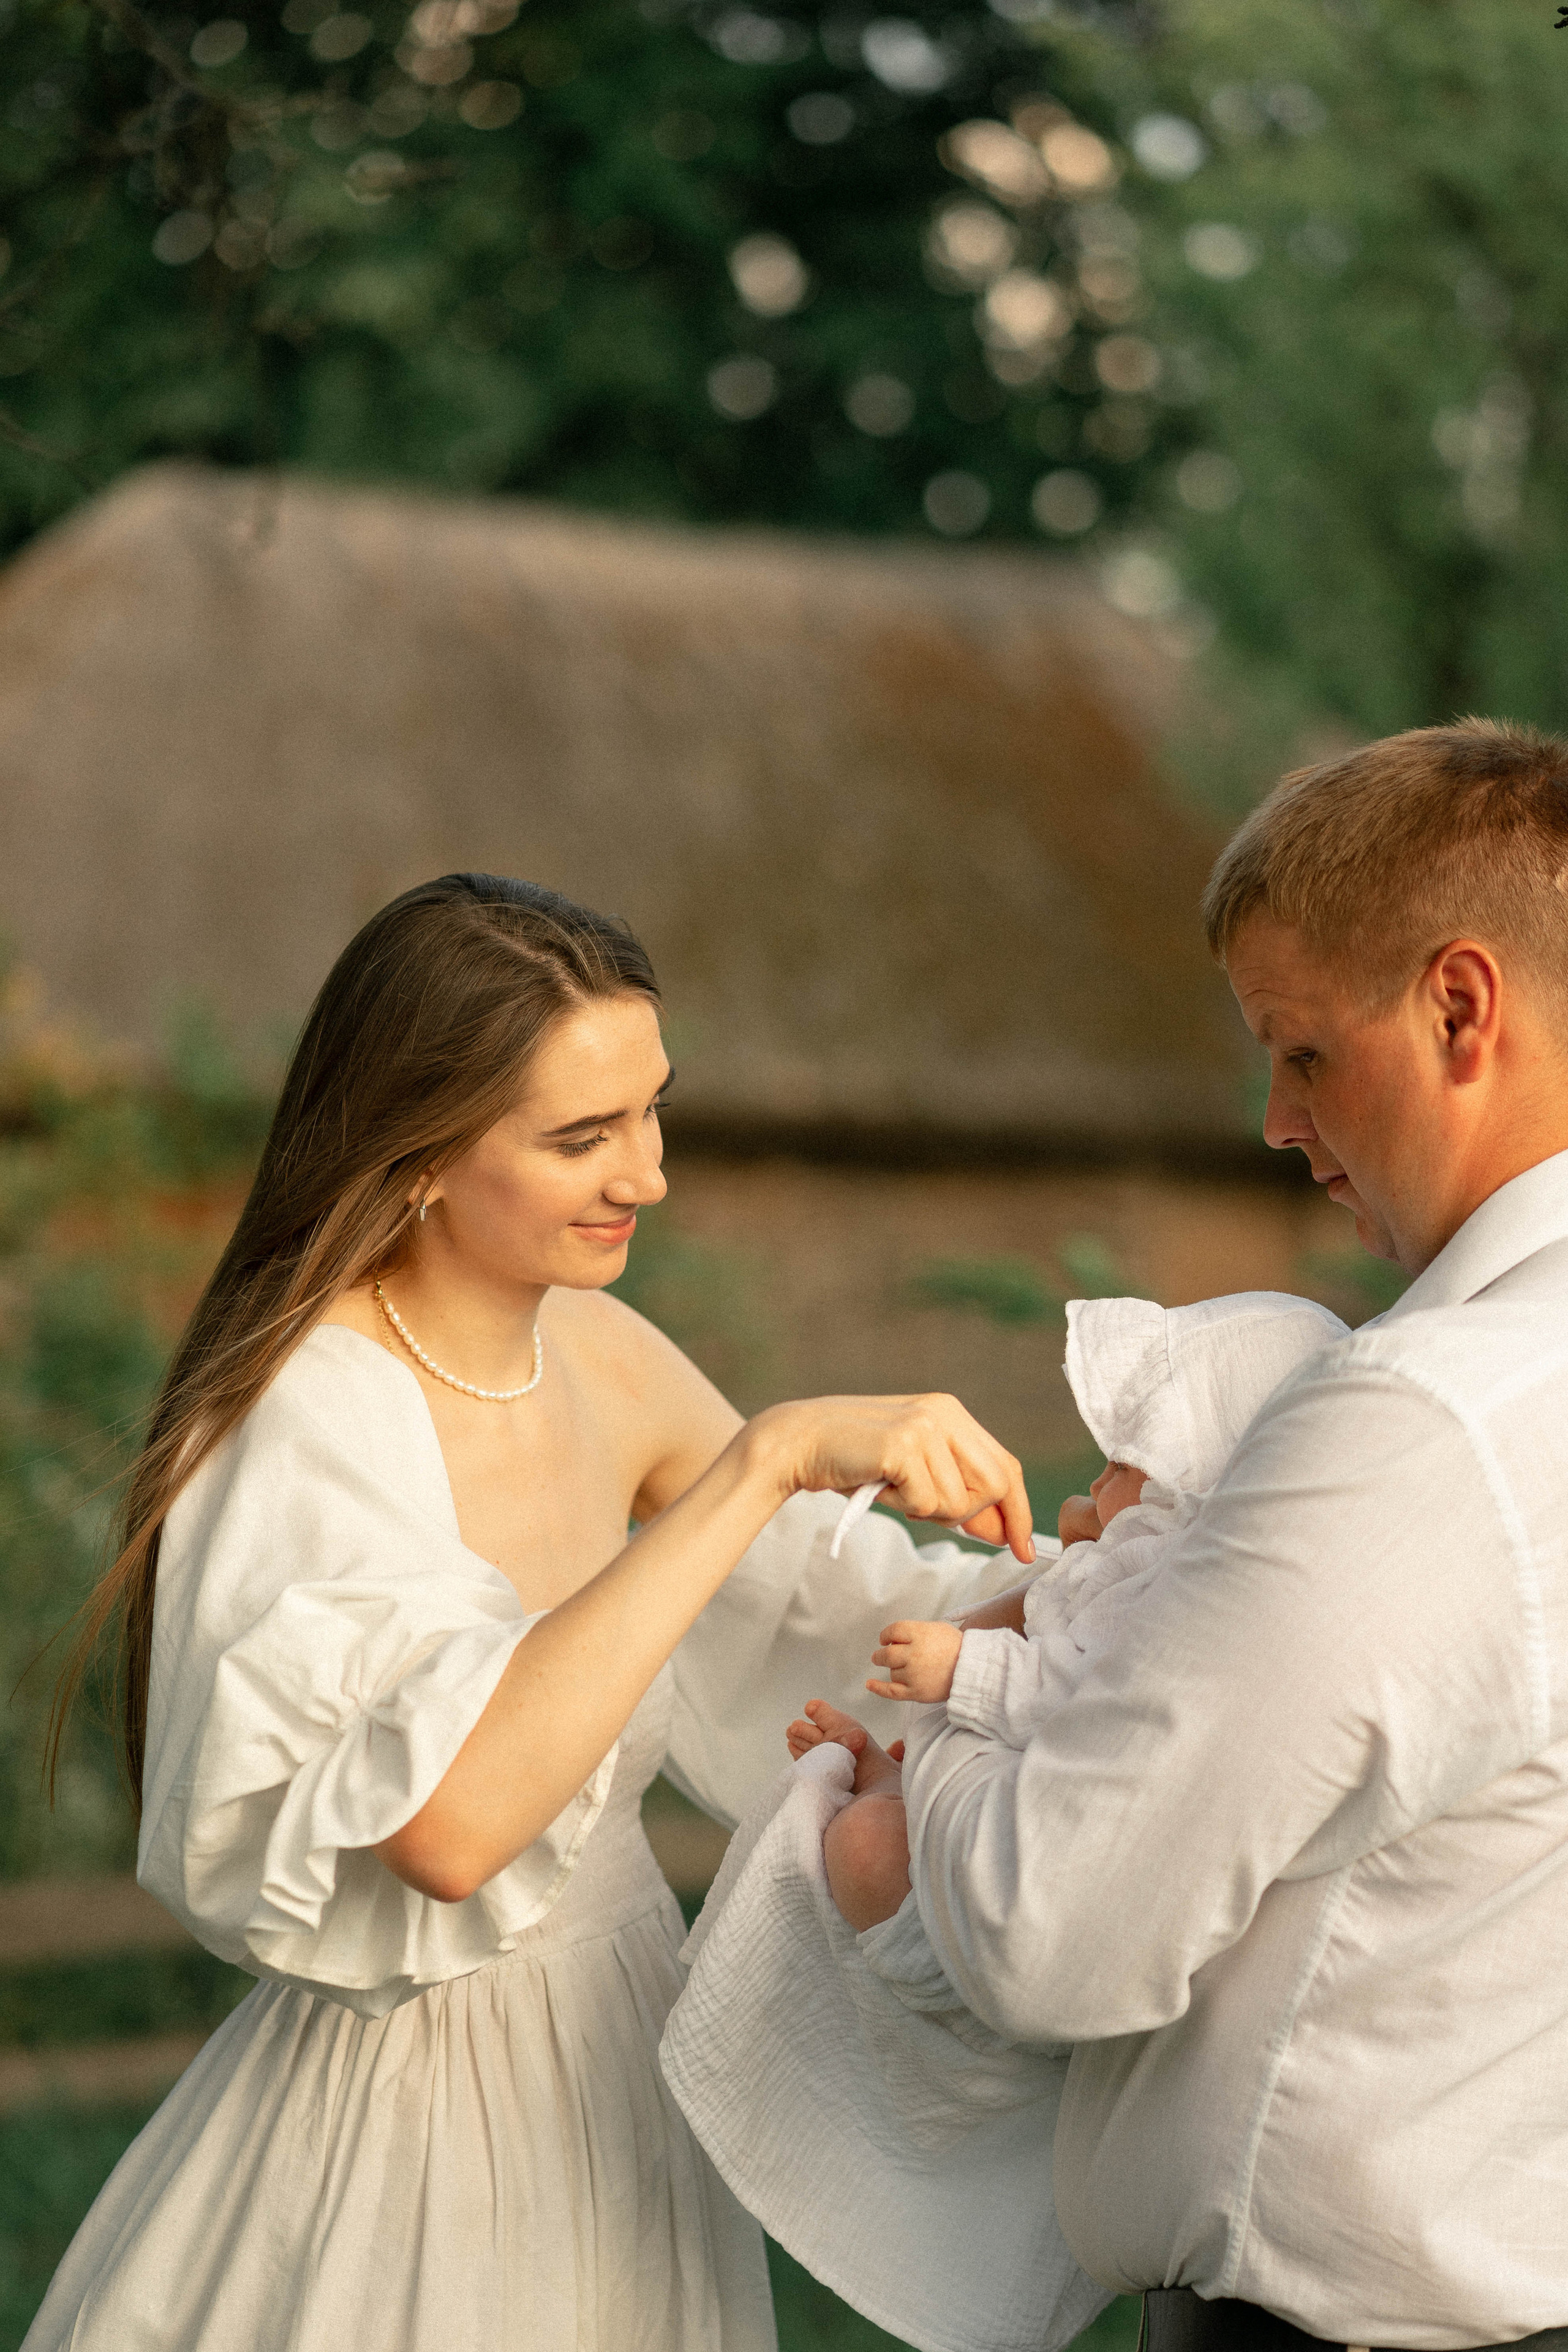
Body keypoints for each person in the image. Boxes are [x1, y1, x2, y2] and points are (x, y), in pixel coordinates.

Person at [22, 873, 1033, 2352]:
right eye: (581, 1137)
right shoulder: (302, 1414)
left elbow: (858, 1622)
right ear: (416, 1155)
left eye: (651, 1111)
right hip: (409, 2119)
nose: (648, 1174)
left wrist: (1144, 1569)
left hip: (622, 2063)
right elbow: (447, 1822)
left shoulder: (604, 1349)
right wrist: (764, 1455)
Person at [839, 718, 1568, 2352]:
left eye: (1301, 1050)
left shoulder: (1429, 1424)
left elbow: (1055, 1932)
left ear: (1461, 1006)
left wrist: (938, 1750)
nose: (1273, 1121)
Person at [786, 1291, 1346, 1932]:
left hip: (1036, 1876)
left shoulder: (1178, 1594)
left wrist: (965, 1669)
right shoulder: (1135, 1561)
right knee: (887, 1817)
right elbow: (1053, 1622)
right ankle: (898, 1787)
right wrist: (1087, 1551)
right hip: (1007, 1778)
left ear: (1190, 1488)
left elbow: (1090, 1691)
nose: (1098, 1483)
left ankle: (898, 1822)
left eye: (1121, 1465)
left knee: (862, 1848)